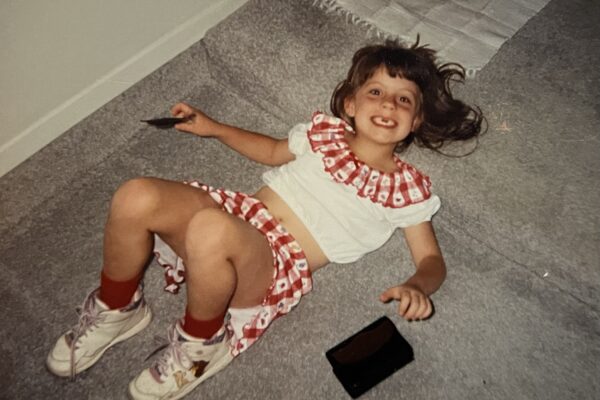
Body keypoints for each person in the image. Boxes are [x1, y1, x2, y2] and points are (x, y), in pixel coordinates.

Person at [46, 39, 484, 400]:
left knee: (210, 228)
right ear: (349, 104)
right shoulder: (322, 134)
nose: (388, 103)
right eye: (375, 92)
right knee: (135, 195)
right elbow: (272, 151)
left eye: (404, 99)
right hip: (235, 217)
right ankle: (116, 308)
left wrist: (417, 286)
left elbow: (431, 260)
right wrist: (215, 128)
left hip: (274, 266)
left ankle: (204, 342)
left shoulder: (406, 188)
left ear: (417, 118)